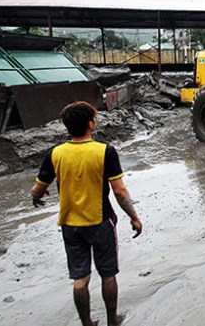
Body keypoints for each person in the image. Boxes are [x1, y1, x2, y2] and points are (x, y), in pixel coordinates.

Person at [31, 101, 142, 326]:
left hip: (70, 224)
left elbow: (39, 188)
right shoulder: (105, 151)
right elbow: (119, 192)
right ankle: (113, 320)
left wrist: (36, 197)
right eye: (95, 118)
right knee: (108, 273)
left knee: (80, 279)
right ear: (91, 124)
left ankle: (87, 323)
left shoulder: (55, 153)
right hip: (101, 221)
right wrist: (134, 217)